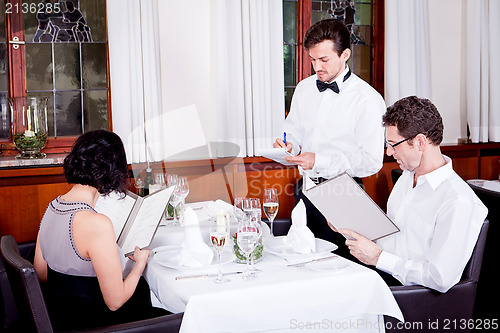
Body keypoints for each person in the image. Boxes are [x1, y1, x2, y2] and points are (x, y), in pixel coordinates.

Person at [331, 96, 488, 292]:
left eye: (393, 144)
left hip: (410, 296)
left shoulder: (457, 200)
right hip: (380, 276)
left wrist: (379, 258)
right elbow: (393, 240)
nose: (388, 152)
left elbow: (439, 277)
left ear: (420, 142)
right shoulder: (407, 178)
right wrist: (349, 225)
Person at [34, 130, 167, 330]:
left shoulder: (51, 207)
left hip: (62, 320)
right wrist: (140, 264)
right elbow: (115, 302)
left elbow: (41, 274)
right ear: (113, 170)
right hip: (99, 325)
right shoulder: (97, 223)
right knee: (176, 312)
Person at [273, 19, 386, 255]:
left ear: (345, 54)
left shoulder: (367, 100)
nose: (317, 67)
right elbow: (293, 130)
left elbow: (371, 161)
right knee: (301, 259)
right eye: (313, 59)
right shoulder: (304, 89)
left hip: (344, 195)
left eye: (324, 60)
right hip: (305, 189)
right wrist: (289, 144)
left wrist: (320, 160)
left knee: (341, 267)